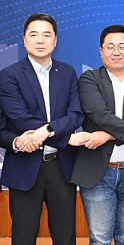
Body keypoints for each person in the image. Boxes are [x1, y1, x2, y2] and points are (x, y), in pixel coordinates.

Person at [0, 13, 85, 245]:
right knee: (23, 237)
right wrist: (64, 138)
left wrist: (46, 131)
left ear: (55, 40)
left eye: (46, 35)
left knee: (65, 238)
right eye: (34, 34)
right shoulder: (9, 76)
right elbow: (20, 119)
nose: (40, 40)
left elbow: (75, 115)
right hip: (25, 168)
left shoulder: (67, 73)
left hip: (62, 168)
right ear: (24, 39)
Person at [70, 25, 124, 245]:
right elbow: (99, 115)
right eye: (110, 47)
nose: (116, 52)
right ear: (101, 51)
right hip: (98, 171)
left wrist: (107, 136)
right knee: (100, 240)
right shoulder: (89, 79)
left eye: (122, 46)